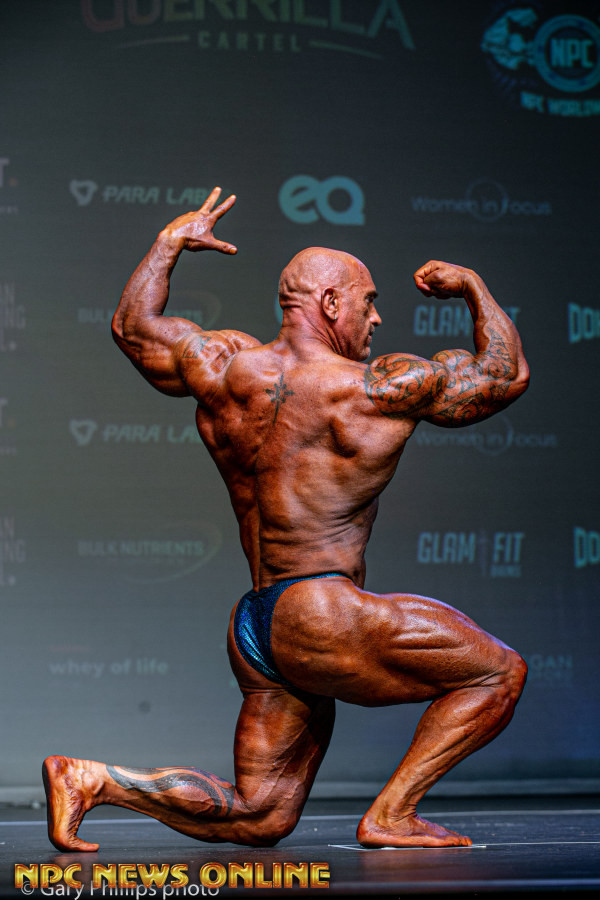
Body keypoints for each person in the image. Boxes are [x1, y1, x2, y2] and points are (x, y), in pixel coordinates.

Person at [43, 187, 529, 851]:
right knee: (498, 673)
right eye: (368, 301)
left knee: (261, 814)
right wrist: (472, 286)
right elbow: (503, 376)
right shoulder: (375, 388)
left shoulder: (221, 369)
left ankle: (96, 780)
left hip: (258, 625)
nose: (377, 318)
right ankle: (392, 813)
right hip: (322, 612)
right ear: (330, 303)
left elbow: (134, 328)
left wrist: (167, 244)